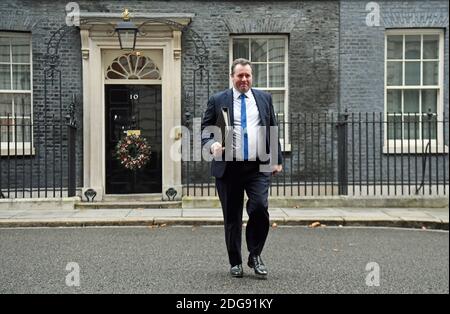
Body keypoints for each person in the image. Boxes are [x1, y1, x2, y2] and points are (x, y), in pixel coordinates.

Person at [201, 58, 283, 278]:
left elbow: (272, 127)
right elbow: (206, 131)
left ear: (251, 77)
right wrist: (212, 144)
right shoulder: (218, 99)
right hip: (229, 168)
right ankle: (235, 261)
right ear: (232, 77)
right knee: (232, 217)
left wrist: (276, 158)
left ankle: (255, 254)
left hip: (258, 166)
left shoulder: (264, 98)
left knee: (259, 209)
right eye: (240, 75)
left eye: (248, 75)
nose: (244, 79)